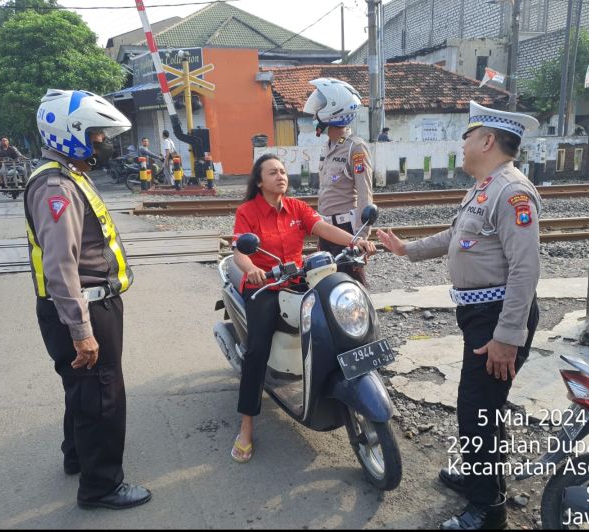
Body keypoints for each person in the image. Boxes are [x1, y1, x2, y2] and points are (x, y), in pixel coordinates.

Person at [377, 101, 541, 530]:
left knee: (476, 411)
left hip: (497, 319)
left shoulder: (512, 192)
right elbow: (456, 234)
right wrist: (407, 250)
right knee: (484, 407)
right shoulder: (485, 188)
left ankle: (488, 510)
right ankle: (480, 478)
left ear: (487, 141)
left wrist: (508, 336)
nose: (462, 144)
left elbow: (525, 269)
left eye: (467, 136)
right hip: (481, 315)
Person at [25, 89, 151, 510]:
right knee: (102, 396)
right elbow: (61, 265)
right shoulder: (56, 186)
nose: (102, 142)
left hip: (84, 304)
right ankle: (101, 487)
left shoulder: (67, 175)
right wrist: (81, 330)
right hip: (85, 306)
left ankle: (77, 456)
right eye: (96, 135)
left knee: (82, 388)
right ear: (71, 134)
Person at [230, 153, 376, 463]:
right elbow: (239, 251)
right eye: (273, 172)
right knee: (256, 351)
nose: (281, 176)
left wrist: (354, 242)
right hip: (265, 286)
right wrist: (251, 269)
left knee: (334, 319)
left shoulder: (296, 207)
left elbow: (322, 228)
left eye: (283, 171)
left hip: (297, 279)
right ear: (259, 181)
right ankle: (246, 426)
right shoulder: (247, 211)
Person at [303, 77, 373, 286]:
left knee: (351, 286)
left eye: (321, 105)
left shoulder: (355, 148)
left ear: (334, 109)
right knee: (325, 285)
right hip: (326, 230)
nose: (315, 112)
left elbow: (365, 193)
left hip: (346, 231)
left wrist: (361, 237)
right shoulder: (328, 146)